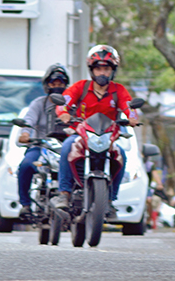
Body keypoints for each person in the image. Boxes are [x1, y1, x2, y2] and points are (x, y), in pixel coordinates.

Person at [50, 45, 139, 212]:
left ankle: (110, 199)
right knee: (67, 148)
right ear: (91, 70)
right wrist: (63, 113)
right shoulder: (80, 87)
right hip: (80, 135)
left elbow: (130, 107)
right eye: (98, 69)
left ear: (113, 71)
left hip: (107, 138)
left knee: (121, 155)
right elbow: (64, 102)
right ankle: (64, 193)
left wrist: (133, 117)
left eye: (106, 69)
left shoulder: (118, 90)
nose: (102, 73)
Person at [16, 63, 70, 218]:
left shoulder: (72, 104)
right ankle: (25, 204)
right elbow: (29, 121)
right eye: (54, 83)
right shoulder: (39, 103)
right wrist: (25, 134)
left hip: (65, 147)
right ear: (47, 85)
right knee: (26, 165)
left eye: (61, 83)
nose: (57, 87)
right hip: (41, 146)